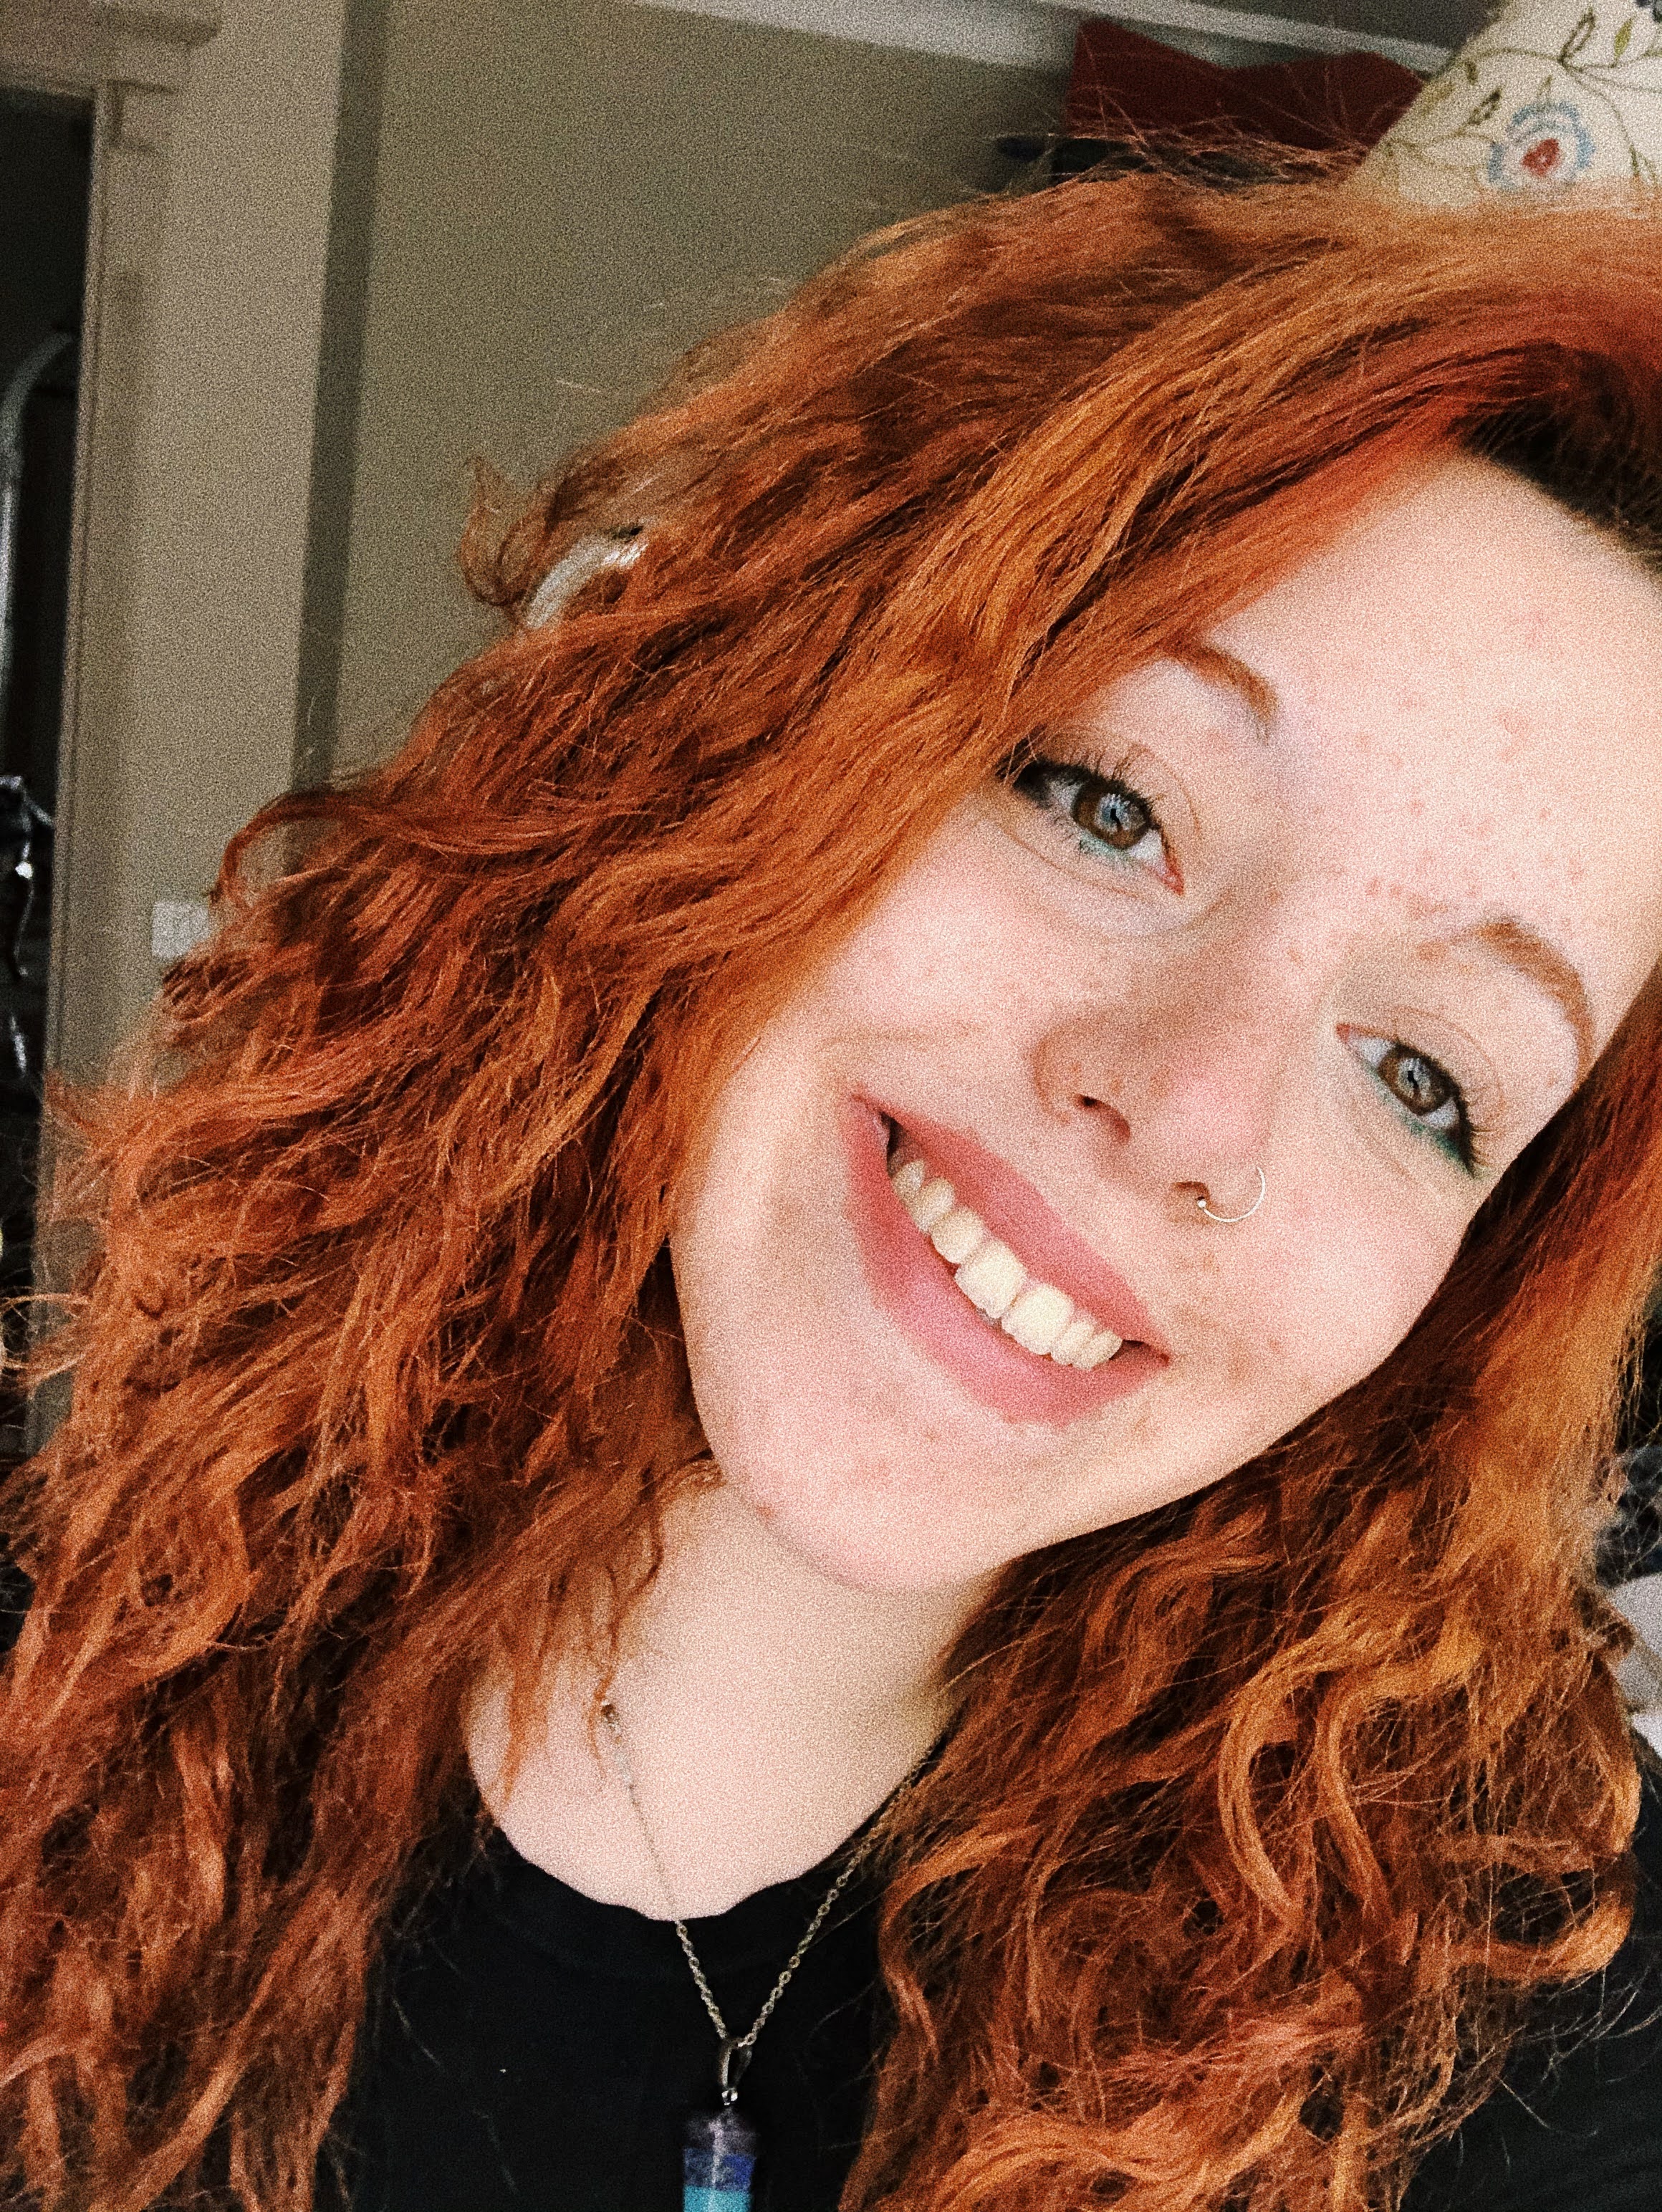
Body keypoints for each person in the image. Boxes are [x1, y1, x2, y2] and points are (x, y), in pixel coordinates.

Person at [9, 49, 1662, 2212]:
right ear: (749, 743)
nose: (1194, 1111)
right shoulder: (86, 1664)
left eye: (1427, 1077)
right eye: (1110, 803)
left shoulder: (1529, 2045)